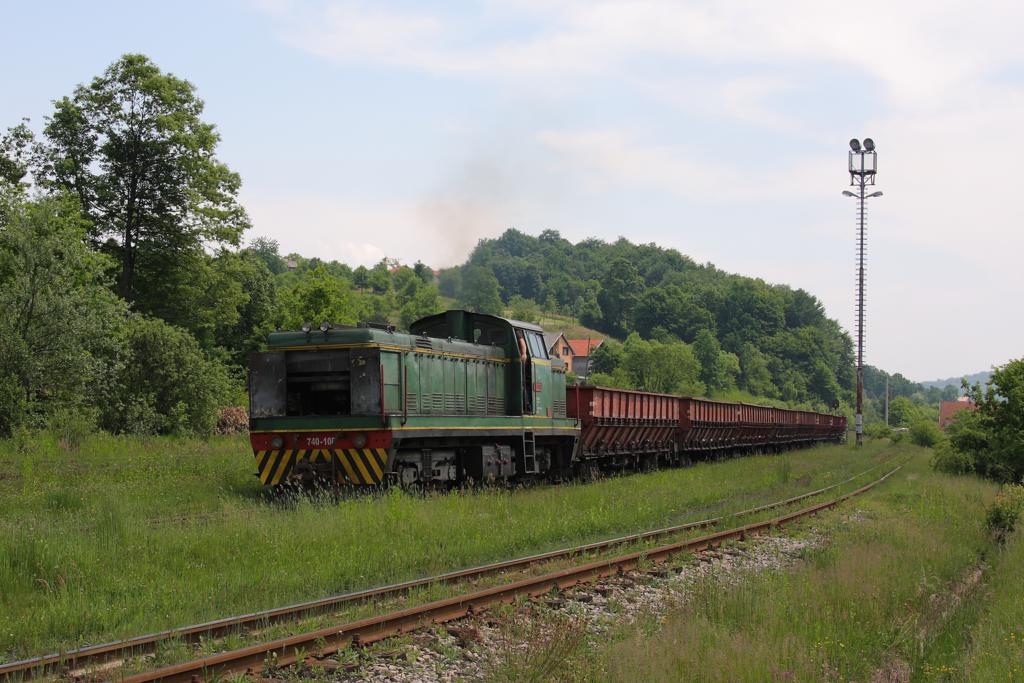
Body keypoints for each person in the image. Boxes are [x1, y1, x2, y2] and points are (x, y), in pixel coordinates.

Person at [516, 330, 532, 413]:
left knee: (522, 382)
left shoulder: (517, 331)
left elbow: (521, 340)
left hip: (523, 359)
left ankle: (527, 405)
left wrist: (524, 353)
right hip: (517, 359)